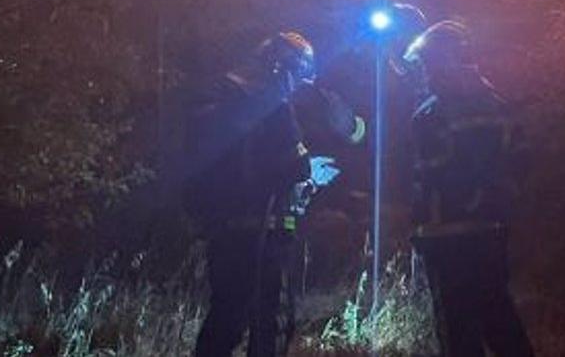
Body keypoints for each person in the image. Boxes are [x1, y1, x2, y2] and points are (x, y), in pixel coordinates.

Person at [186, 32, 362, 357]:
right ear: (286, 68)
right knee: (271, 321)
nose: (301, 84)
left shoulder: (224, 98)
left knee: (226, 317)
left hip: (226, 230)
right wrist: (312, 172)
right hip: (266, 233)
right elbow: (293, 165)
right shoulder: (274, 105)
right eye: (300, 74)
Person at [404, 20, 535, 357]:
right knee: (499, 316)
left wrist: (421, 227)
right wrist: (497, 198)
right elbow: (521, 159)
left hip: (447, 237)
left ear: (444, 61)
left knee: (458, 330)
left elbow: (430, 178)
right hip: (491, 231)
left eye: (428, 63)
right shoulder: (496, 103)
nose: (425, 72)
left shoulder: (431, 113)